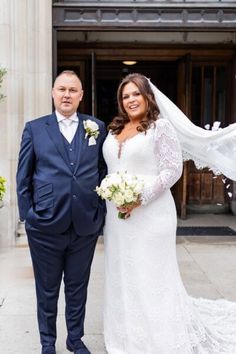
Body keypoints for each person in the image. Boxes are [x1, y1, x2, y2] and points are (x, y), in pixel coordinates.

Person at [102, 73, 236, 353]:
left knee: (151, 275)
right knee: (123, 274)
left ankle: (157, 339)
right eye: (125, 96)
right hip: (117, 219)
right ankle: (127, 336)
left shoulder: (160, 128)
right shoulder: (115, 129)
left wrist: (140, 198)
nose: (130, 100)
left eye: (135, 94)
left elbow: (172, 170)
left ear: (147, 96)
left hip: (151, 215)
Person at [16, 70, 107, 354]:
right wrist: (28, 216)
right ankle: (47, 343)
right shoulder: (35, 128)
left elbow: (103, 172)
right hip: (44, 225)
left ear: (81, 95)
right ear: (53, 93)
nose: (66, 95)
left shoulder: (96, 127)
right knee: (47, 289)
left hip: (84, 225)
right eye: (61, 89)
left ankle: (75, 339)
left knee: (78, 287)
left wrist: (99, 213)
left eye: (72, 90)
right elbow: (23, 176)